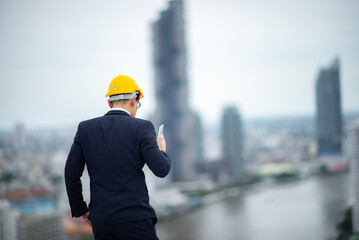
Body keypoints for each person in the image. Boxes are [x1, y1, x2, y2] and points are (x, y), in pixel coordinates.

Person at [64, 75, 171, 240]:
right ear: (134, 100)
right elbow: (161, 169)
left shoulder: (85, 129)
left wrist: (81, 209)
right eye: (138, 103)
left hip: (102, 222)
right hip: (136, 219)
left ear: (109, 103)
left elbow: (71, 172)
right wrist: (162, 150)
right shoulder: (142, 127)